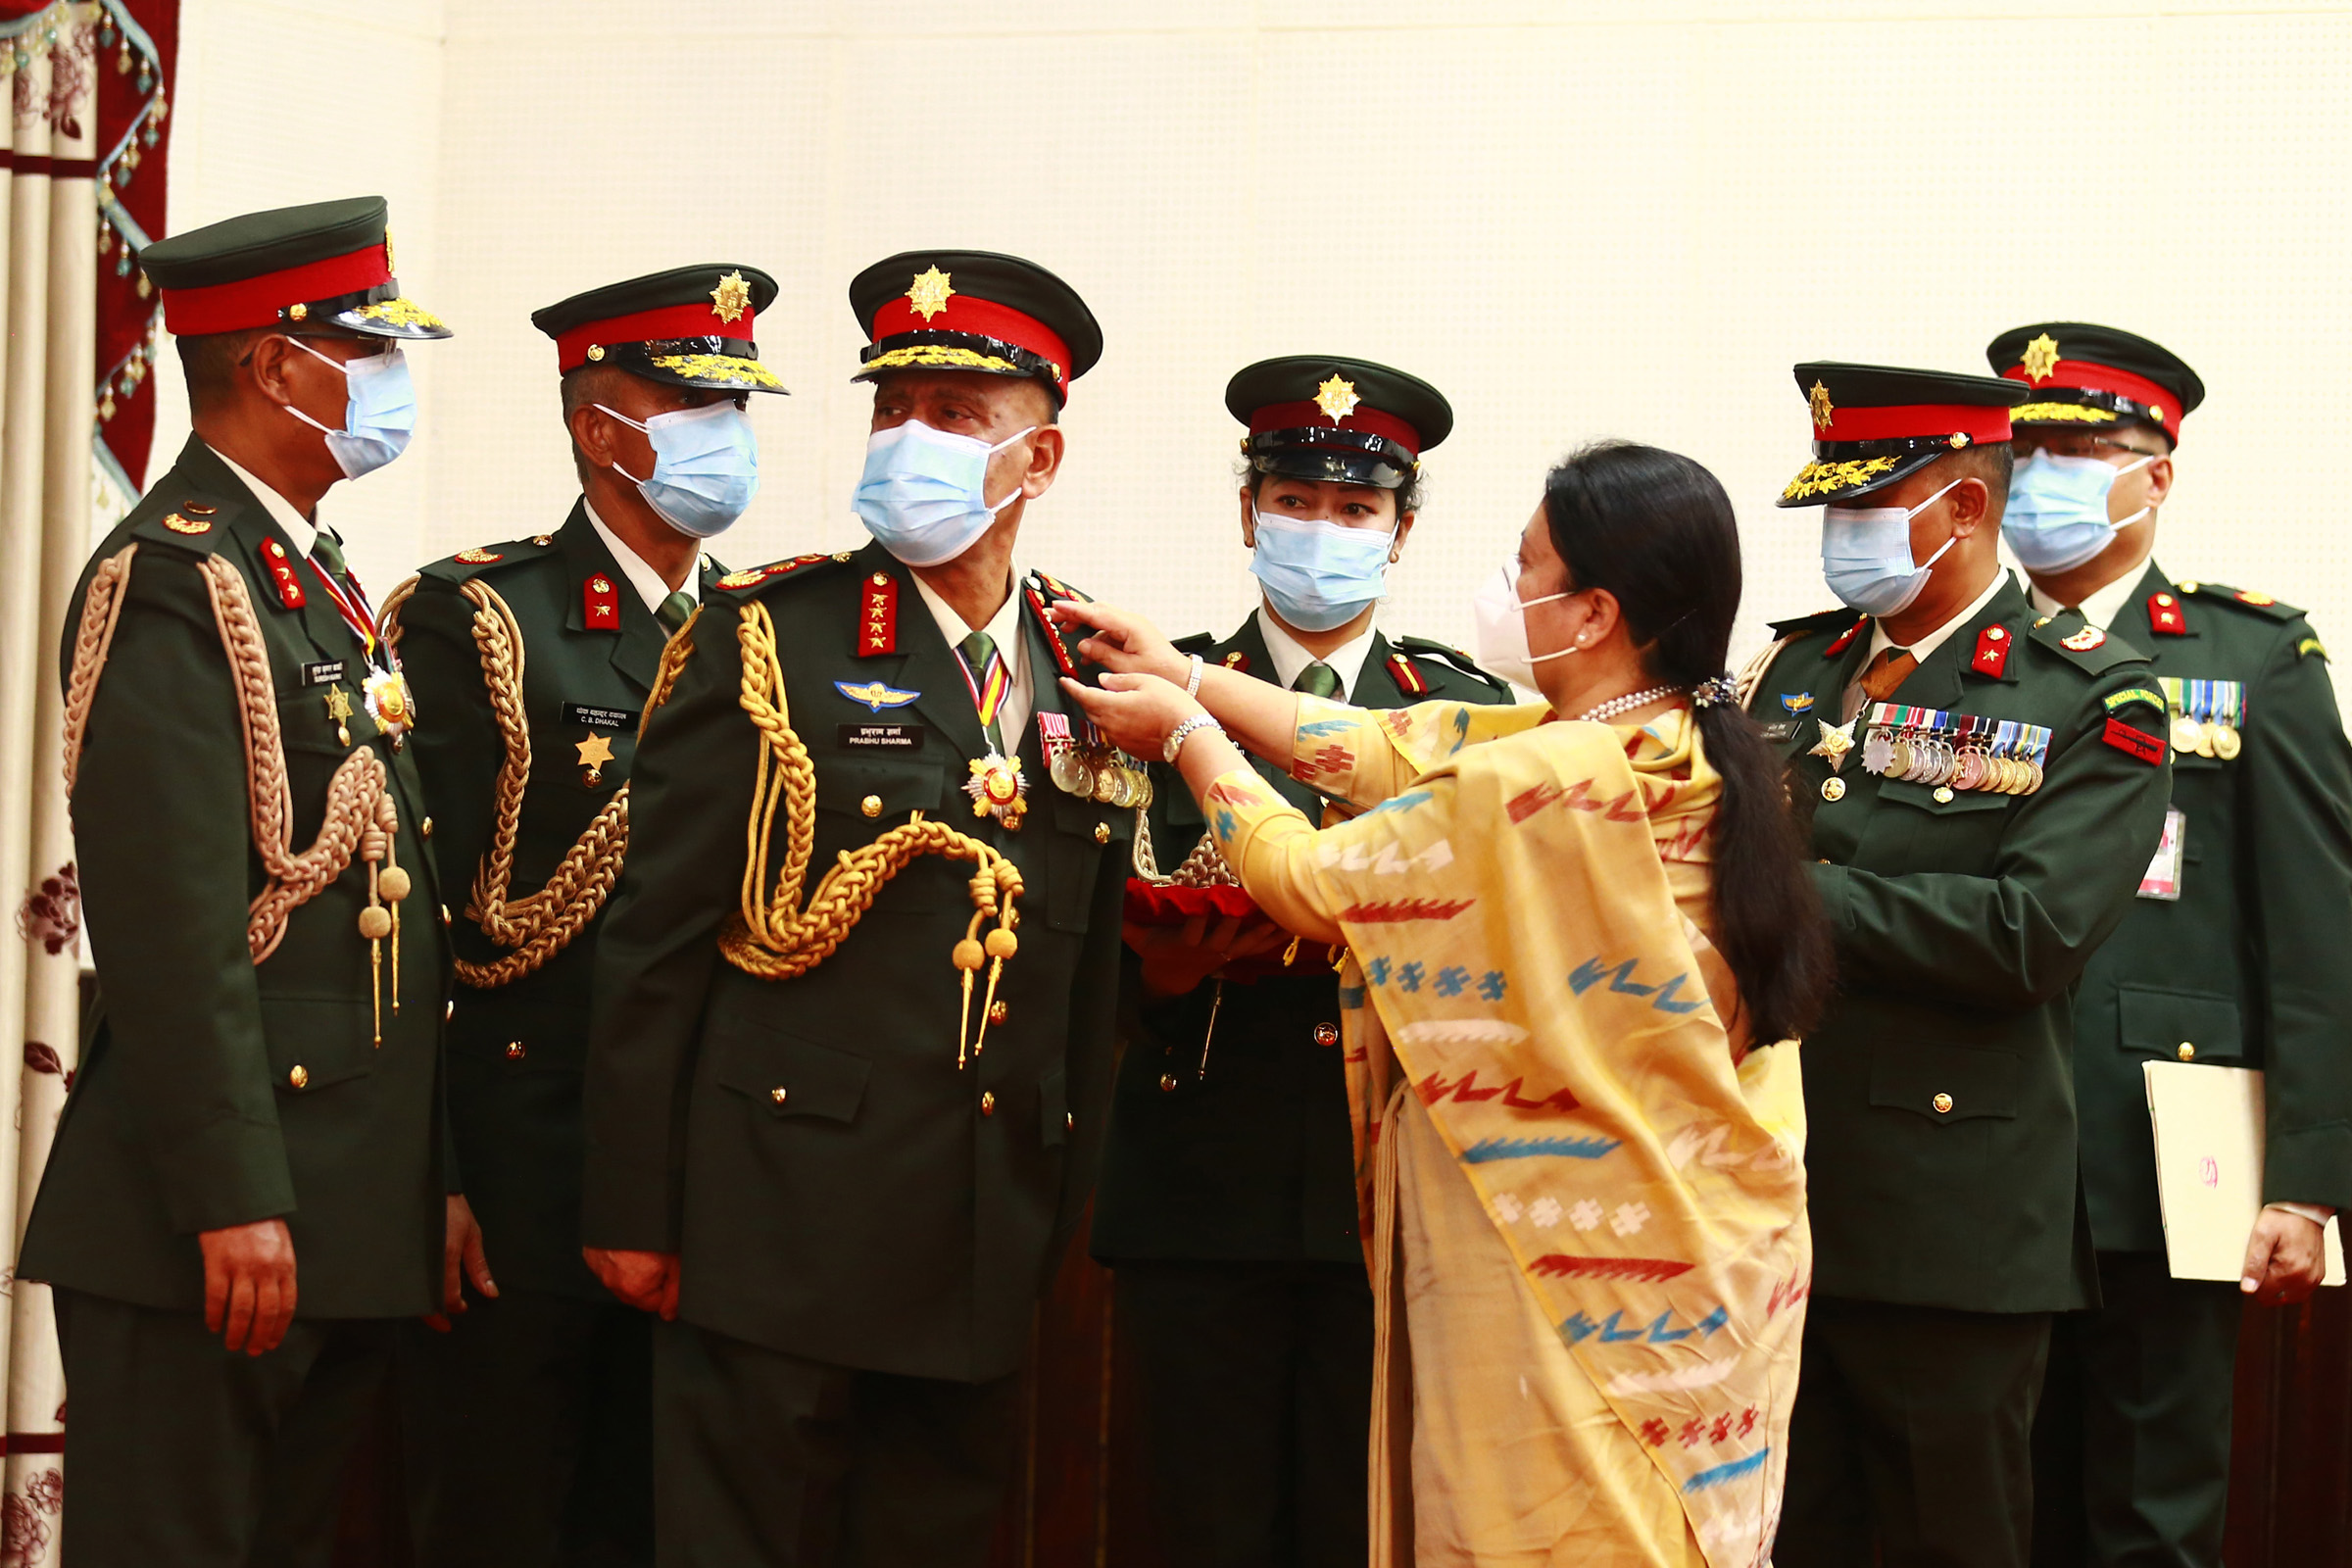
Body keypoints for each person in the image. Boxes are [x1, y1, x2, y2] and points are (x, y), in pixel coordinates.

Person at [1060, 440, 1833, 1567]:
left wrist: (1186, 742)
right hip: (1693, 1270)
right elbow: (1379, 744)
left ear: (1594, 611)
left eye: (1527, 566)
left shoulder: (1547, 779)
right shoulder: (1672, 746)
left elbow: (1307, 882)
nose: (1505, 589)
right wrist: (1186, 673)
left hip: (1561, 1260)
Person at [580, 249, 1133, 1564]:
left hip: (979, 1231)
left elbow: (1086, 962)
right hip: (774, 1222)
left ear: (1037, 461)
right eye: (893, 410)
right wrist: (630, 1211)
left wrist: (1067, 1202)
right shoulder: (773, 636)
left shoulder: (1083, 666)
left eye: (954, 419)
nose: (910, 442)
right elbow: (652, 941)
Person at [24, 196, 458, 1566]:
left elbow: (398, 928)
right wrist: (232, 1195)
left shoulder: (303, 574)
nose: (392, 382)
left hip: (337, 1208)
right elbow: (173, 930)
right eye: (366, 350)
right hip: (209, 1226)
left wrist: (422, 1184)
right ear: (276, 366)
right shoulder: (172, 579)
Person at [387, 264, 783, 1568]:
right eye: (681, 400)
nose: (716, 433)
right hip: (522, 1156)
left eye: (732, 402)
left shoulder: (766, 636)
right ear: (595, 421)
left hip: (708, 1164)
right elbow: (415, 921)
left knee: (664, 1512)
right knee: (505, 1505)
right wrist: (431, 1176)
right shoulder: (485, 618)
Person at [1746, 363, 2175, 1568]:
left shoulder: (2093, 695)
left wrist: (1785, 896)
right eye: (1833, 510)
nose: (1844, 537)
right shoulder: (1795, 671)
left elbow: (2025, 936)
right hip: (1772, 1197)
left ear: (1967, 510)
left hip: (1951, 1230)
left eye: (1871, 507)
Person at [1090, 355, 1511, 1568]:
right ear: (1247, 512)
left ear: (1400, 531)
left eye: (1353, 509)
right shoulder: (1133, 687)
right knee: (1205, 1524)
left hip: (1392, 1187)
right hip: (1200, 1168)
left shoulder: (1454, 709)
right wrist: (1157, 982)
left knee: (1360, 1520)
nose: (1318, 530)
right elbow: (1077, 931)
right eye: (1294, 502)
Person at [1984, 322, 2352, 1568]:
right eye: (2028, 449)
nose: (2047, 477)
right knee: (1987, 1517)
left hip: (2165, 1158)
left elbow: (2315, 929)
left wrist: (2306, 1180)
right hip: (1971, 1154)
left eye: (2086, 448)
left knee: (2151, 1523)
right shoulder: (1952, 662)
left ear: (2159, 474)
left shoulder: (2249, 656)